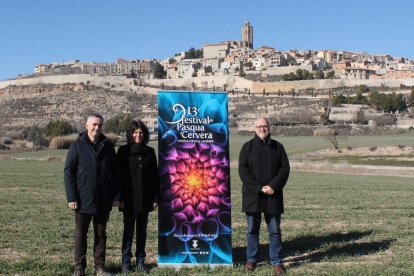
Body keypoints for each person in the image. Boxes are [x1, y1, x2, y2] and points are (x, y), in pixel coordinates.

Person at [64, 113, 120, 276]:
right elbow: (69, 172)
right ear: (86, 126)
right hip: (82, 199)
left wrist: (116, 197)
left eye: (100, 125)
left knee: (101, 234)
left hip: (103, 199)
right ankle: (79, 267)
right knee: (81, 234)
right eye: (94, 124)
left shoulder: (108, 146)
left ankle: (100, 267)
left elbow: (116, 173)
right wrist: (72, 197)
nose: (97, 128)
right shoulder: (77, 146)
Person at [238, 117, 290, 275]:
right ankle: (251, 260)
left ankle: (277, 261)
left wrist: (273, 186)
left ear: (269, 127)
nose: (262, 129)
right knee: (252, 230)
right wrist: (260, 188)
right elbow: (243, 171)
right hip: (253, 196)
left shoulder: (278, 147)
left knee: (274, 231)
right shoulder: (247, 147)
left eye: (265, 126)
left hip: (273, 195)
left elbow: (284, 170)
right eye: (259, 126)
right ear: (254, 128)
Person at [117, 120, 159, 273]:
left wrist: (155, 199)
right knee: (128, 230)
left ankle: (141, 261)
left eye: (141, 132)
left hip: (145, 199)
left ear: (144, 134)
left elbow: (155, 177)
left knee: (142, 231)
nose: (138, 135)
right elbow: (118, 177)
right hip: (128, 199)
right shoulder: (122, 151)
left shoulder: (150, 152)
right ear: (130, 134)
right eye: (135, 132)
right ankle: (126, 263)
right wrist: (119, 198)